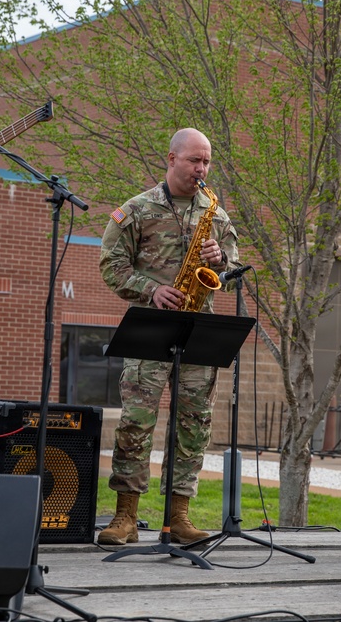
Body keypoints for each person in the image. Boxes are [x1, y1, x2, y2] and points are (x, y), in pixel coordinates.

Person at [98, 128, 240, 545]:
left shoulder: (215, 214)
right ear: (172, 158)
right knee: (136, 422)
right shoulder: (137, 209)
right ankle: (125, 516)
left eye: (207, 162)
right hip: (151, 325)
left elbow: (231, 275)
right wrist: (151, 289)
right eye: (195, 160)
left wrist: (221, 261)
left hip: (199, 327)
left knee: (195, 423)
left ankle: (179, 516)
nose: (201, 169)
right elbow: (110, 266)